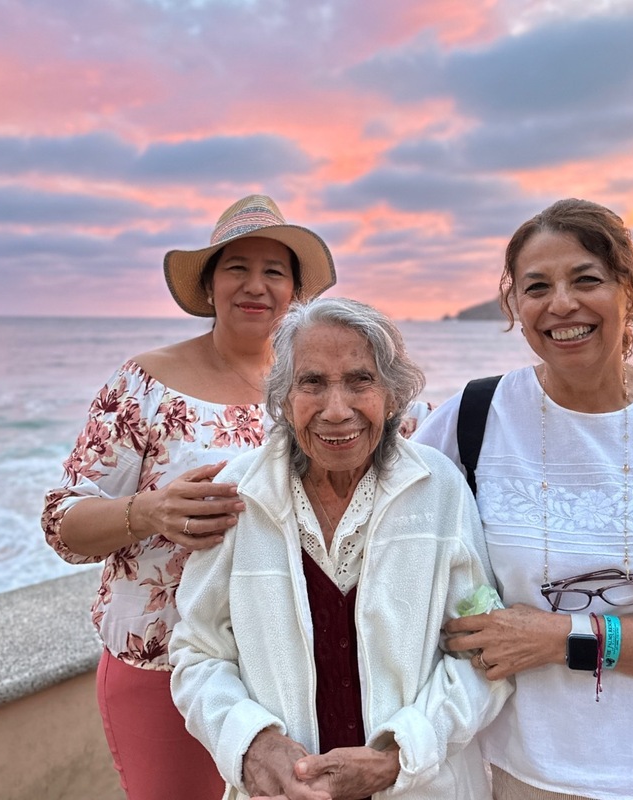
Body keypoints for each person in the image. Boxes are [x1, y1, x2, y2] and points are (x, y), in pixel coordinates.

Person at [413, 198, 633, 800]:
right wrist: (236, 500)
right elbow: (364, 509)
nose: (561, 304)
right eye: (536, 287)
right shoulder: (471, 417)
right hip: (532, 777)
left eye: (586, 280)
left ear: (630, 290)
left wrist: (564, 637)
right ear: (515, 307)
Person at [41, 195, 337, 800]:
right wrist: (148, 510)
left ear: (294, 292)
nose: (255, 285)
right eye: (237, 267)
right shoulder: (145, 383)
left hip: (284, 671)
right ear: (209, 285)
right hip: (163, 667)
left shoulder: (314, 389)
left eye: (274, 271)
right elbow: (61, 521)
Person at [169, 297, 512, 800]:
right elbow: (198, 651)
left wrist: (398, 758)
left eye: (359, 380)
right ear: (284, 397)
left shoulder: (438, 489)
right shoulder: (240, 493)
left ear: (392, 395)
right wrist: (254, 744)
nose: (335, 409)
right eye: (312, 382)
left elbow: (484, 653)